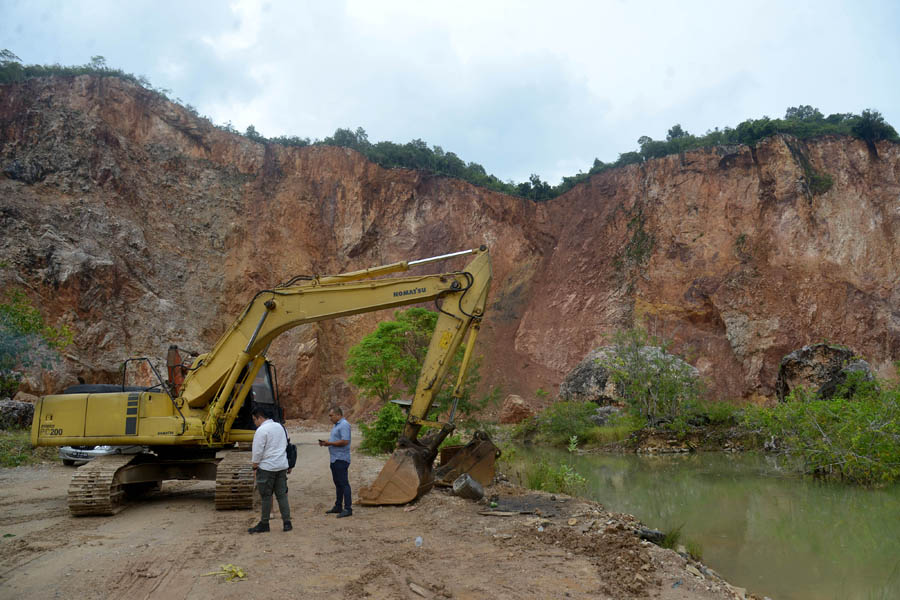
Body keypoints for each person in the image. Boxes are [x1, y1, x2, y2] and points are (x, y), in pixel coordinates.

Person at [248, 405, 292, 533]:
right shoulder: (281, 427)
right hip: (281, 465)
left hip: (267, 467)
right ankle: (287, 522)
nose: (255, 423)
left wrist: (254, 466)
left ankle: (264, 523)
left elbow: (257, 451)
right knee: (282, 495)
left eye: (254, 420)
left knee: (266, 496)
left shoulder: (262, 431)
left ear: (259, 417)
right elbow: (286, 444)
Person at [319, 405, 352, 517]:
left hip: (341, 458)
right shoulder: (337, 425)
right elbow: (337, 440)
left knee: (344, 483)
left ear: (338, 415)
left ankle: (348, 508)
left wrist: (330, 443)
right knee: (338, 484)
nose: (330, 418)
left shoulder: (344, 425)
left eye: (331, 415)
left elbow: (345, 441)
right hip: (335, 459)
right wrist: (327, 442)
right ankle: (338, 506)